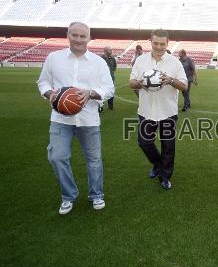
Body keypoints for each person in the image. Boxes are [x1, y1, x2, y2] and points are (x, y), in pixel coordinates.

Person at [36, 22, 115, 215]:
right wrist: (49, 94)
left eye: (83, 36)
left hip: (88, 119)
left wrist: (91, 93)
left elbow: (109, 89)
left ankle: (96, 194)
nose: (79, 39)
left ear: (89, 38)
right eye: (75, 35)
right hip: (60, 119)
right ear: (68, 35)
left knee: (94, 160)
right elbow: (43, 81)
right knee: (57, 156)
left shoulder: (98, 62)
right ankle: (68, 195)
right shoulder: (54, 58)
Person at [129, 29, 188, 190]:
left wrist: (170, 80)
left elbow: (184, 85)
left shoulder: (175, 62)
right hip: (146, 111)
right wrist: (142, 82)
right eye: (156, 43)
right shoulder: (141, 61)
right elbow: (131, 83)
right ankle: (158, 164)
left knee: (168, 146)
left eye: (162, 44)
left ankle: (165, 176)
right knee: (144, 142)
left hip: (167, 111)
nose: (159, 47)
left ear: (167, 44)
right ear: (151, 42)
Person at [101, 46, 117, 110]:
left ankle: (110, 106)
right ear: (105, 51)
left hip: (111, 78)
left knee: (111, 92)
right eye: (109, 50)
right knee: (101, 92)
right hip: (102, 79)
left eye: (111, 50)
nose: (111, 51)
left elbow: (115, 67)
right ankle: (101, 106)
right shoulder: (101, 58)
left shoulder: (113, 58)